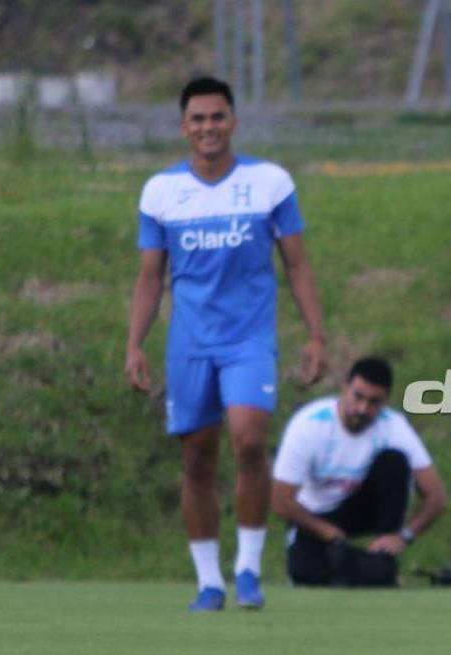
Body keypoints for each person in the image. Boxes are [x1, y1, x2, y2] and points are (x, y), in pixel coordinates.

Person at [125, 76, 327, 612]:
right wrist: (135, 344)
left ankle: (248, 569)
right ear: (183, 126)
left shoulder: (270, 183)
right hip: (189, 343)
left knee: (249, 440)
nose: (208, 127)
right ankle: (209, 580)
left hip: (249, 339)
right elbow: (150, 278)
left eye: (217, 117)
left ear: (233, 121)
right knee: (197, 458)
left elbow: (298, 264)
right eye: (198, 119)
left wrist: (315, 335)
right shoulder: (161, 192)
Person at [271, 357, 446, 587]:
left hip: (362, 507)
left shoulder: (394, 426)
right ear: (345, 389)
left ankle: (382, 556)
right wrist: (327, 532)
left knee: (393, 462)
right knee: (306, 574)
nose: (363, 409)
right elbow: (281, 501)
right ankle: (359, 567)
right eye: (358, 397)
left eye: (374, 402)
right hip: (315, 515)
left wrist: (403, 537)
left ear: (385, 401)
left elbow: (436, 497)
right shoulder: (309, 424)